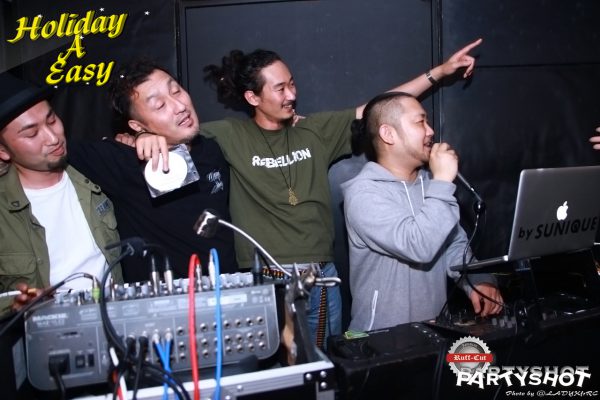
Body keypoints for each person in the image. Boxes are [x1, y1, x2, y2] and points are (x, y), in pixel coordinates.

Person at [133, 39, 483, 348]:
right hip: (269, 279)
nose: (292, 95)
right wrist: (145, 135)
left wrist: (439, 72)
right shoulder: (229, 134)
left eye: (292, 84)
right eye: (280, 89)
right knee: (276, 372)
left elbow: (380, 109)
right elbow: (180, 130)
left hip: (322, 278)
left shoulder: (314, 131)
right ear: (253, 97)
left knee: (326, 368)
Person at [342, 91, 503, 331]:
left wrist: (478, 280)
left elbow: (454, 245)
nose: (430, 131)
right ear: (388, 134)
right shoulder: (363, 194)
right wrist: (443, 182)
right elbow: (418, 245)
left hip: (434, 330)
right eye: (420, 122)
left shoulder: (432, 184)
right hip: (380, 337)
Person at [67, 59, 237, 282]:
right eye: (159, 105)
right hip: (167, 297)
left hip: (230, 287)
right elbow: (51, 147)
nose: (179, 106)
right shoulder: (123, 162)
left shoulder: (212, 148)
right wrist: (139, 137)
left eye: (176, 91)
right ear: (137, 125)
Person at [0, 72, 123, 316]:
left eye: (52, 119)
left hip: (115, 319)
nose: (53, 137)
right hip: (44, 333)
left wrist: (145, 137)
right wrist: (11, 306)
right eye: (31, 133)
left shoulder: (94, 170)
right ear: (3, 151)